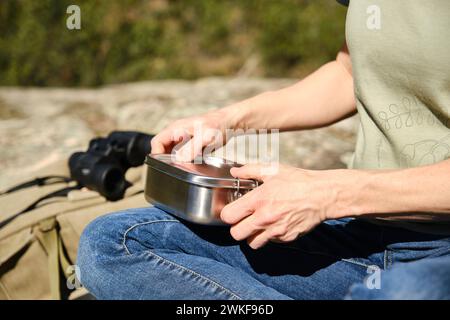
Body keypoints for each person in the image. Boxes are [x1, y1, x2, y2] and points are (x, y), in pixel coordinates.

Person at [77, 0, 450, 299]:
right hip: (361, 236)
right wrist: (226, 120)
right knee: (111, 245)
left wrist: (328, 194)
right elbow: (351, 72)